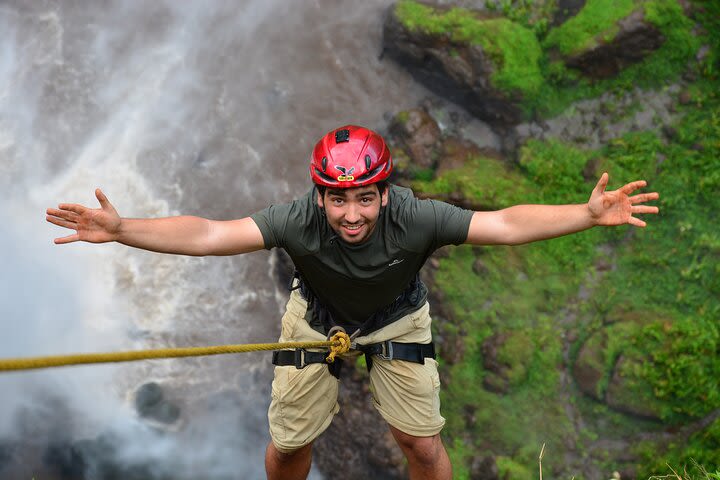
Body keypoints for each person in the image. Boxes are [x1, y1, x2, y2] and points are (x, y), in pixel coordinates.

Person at [46, 125, 659, 480]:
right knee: (290, 445)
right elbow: (211, 234)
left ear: (385, 194)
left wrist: (584, 214)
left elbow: (501, 224)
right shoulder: (295, 221)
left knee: (420, 443)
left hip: (397, 315)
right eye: (337, 200)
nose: (351, 214)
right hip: (315, 318)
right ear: (319, 198)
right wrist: (126, 230)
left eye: (365, 198)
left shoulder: (416, 218)